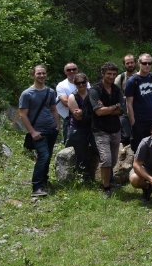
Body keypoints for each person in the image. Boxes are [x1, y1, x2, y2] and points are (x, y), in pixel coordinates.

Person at [19, 65, 59, 197]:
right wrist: (32, 132)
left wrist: (57, 126)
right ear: (33, 75)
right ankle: (37, 187)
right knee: (44, 156)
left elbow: (53, 109)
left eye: (43, 73)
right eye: (38, 73)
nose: (41, 76)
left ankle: (44, 181)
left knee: (47, 157)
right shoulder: (27, 94)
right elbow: (23, 115)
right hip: (38, 132)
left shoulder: (50, 91)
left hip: (51, 129)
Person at [89, 62, 123, 197]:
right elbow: (98, 112)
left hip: (115, 129)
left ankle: (108, 180)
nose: (112, 76)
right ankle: (106, 188)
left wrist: (106, 109)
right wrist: (115, 106)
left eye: (114, 74)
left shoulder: (117, 89)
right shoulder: (95, 90)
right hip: (100, 130)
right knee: (106, 159)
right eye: (109, 74)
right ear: (103, 74)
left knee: (113, 161)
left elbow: (122, 110)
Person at [125, 53, 152, 153]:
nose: (147, 65)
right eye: (144, 63)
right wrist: (133, 122)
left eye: (149, 63)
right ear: (139, 63)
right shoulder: (132, 81)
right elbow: (129, 103)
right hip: (139, 120)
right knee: (140, 149)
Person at [66, 72, 98, 182]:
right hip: (78, 129)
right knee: (82, 156)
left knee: (101, 151)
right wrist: (92, 112)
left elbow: (99, 111)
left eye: (83, 82)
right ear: (74, 84)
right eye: (78, 83)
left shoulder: (93, 93)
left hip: (93, 128)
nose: (81, 85)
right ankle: (84, 179)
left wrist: (84, 112)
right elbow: (78, 117)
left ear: (87, 82)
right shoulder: (72, 97)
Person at [56, 62, 84, 144]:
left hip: (85, 117)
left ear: (77, 70)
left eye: (74, 69)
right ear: (65, 72)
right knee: (69, 143)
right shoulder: (61, 85)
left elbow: (89, 97)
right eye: (69, 70)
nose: (72, 71)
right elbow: (65, 102)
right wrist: (81, 108)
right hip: (69, 118)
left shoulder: (84, 82)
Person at [115, 53, 136, 146]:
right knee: (126, 137)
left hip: (139, 113)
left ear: (136, 63)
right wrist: (125, 98)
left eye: (132, 62)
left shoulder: (141, 76)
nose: (130, 65)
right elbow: (114, 95)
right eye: (127, 63)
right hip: (125, 113)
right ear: (124, 65)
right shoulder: (120, 78)